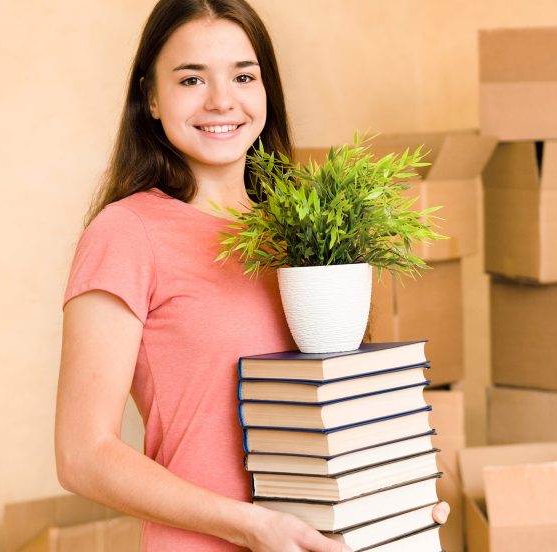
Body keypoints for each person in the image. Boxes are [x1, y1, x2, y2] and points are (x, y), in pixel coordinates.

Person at [54, 1, 449, 550]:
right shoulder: (126, 234)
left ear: (267, 91)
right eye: (191, 79)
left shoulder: (307, 233)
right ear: (149, 96)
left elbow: (338, 402)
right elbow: (82, 456)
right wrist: (254, 525)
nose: (222, 100)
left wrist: (393, 496)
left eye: (244, 75)